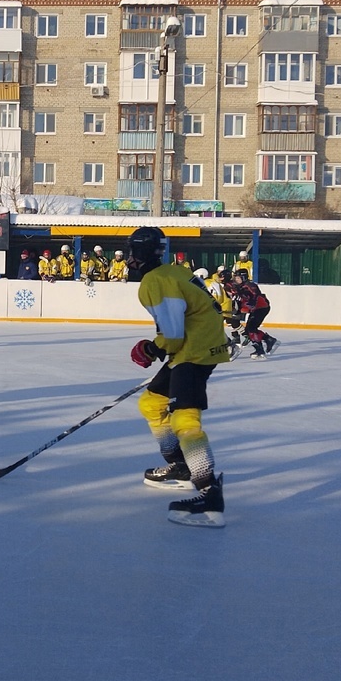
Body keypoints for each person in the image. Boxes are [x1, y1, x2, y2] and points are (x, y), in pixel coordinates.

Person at [126, 226, 229, 527]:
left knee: (185, 420)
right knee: (152, 404)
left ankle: (210, 495)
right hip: (197, 347)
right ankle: (181, 468)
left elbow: (171, 333)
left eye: (133, 251)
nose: (130, 258)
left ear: (140, 253)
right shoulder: (173, 272)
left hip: (193, 353)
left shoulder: (155, 281)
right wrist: (161, 348)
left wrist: (152, 349)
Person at [227, 268, 279, 359]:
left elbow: (254, 296)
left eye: (238, 278)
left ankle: (260, 350)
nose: (236, 280)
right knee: (249, 330)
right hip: (256, 309)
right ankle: (268, 340)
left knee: (251, 329)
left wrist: (247, 299)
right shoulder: (239, 287)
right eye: (236, 278)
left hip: (261, 308)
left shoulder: (250, 285)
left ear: (244, 277)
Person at [206, 265, 245, 356]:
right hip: (226, 307)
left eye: (222, 275)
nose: (220, 277)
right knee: (230, 324)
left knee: (231, 324)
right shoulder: (219, 282)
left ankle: (236, 340)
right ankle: (234, 341)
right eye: (219, 275)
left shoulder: (228, 285)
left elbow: (231, 296)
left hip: (228, 307)